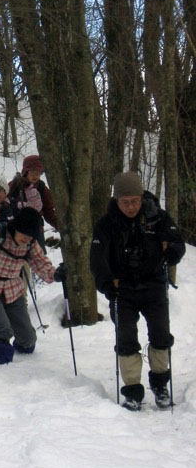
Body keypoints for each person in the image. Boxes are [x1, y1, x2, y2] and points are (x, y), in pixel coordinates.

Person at [90, 171, 185, 411]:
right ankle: (132, 390)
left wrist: (171, 249)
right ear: (117, 200)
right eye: (125, 202)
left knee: (161, 336)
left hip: (153, 285)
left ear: (142, 197)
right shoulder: (106, 223)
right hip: (123, 290)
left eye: (135, 201)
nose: (131, 207)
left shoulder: (158, 217)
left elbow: (177, 245)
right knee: (126, 340)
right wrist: (107, 283)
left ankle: (160, 384)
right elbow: (97, 259)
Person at [0, 207, 65, 363]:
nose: (27, 239)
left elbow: (40, 263)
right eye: (24, 233)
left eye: (31, 236)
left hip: (12, 290)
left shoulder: (30, 243)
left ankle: (23, 356)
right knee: (3, 329)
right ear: (16, 227)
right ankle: (3, 367)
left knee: (28, 340)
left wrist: (56, 274)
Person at [8, 155, 58, 250]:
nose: (35, 176)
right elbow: (4, 203)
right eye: (32, 173)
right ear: (26, 172)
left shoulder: (42, 188)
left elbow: (48, 211)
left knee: (39, 257)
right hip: (16, 229)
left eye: (38, 173)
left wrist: (59, 225)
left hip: (36, 229)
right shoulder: (14, 185)